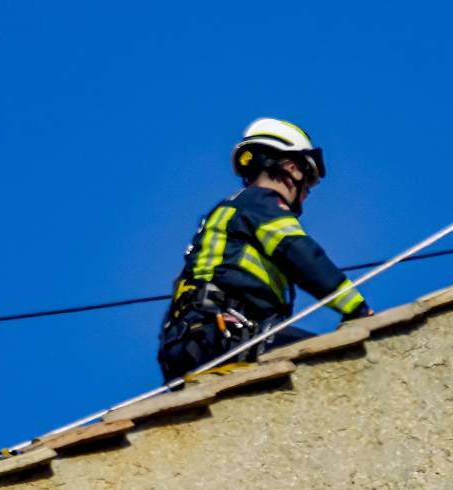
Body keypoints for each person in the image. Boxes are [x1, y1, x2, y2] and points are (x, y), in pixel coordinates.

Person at [158, 118, 372, 382]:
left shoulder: (231, 213)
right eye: (309, 181)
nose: (307, 192)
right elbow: (302, 255)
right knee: (338, 368)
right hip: (224, 337)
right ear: (293, 169)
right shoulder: (261, 203)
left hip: (193, 342)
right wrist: (358, 309)